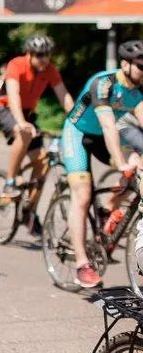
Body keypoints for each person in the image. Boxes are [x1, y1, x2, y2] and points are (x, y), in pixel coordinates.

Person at [62, 40, 143, 288]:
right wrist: (119, 162)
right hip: (77, 135)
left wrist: (130, 163)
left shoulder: (138, 90)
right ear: (125, 64)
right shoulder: (104, 83)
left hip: (102, 139)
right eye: (141, 66)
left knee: (139, 164)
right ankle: (82, 265)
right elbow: (109, 126)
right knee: (83, 195)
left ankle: (108, 210)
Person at [0, 35, 73, 207]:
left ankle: (30, 213)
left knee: (43, 162)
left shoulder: (49, 70)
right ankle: (10, 182)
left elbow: (64, 96)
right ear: (29, 54)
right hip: (3, 107)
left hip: (27, 113)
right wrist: (21, 122)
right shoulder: (17, 64)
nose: (44, 59)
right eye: (39, 55)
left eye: (47, 55)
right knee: (25, 133)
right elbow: (13, 95)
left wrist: (77, 120)